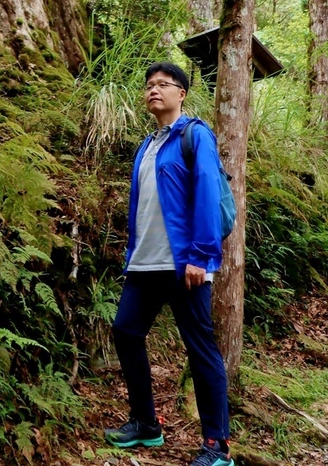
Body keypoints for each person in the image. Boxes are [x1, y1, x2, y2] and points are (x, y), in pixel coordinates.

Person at [103, 61, 233, 466]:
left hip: (184, 265)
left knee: (200, 349)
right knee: (125, 332)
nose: (154, 90)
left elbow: (209, 195)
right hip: (145, 263)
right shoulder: (148, 145)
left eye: (164, 84)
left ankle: (217, 445)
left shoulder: (195, 136)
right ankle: (145, 423)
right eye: (149, 86)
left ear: (182, 93)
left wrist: (201, 255)